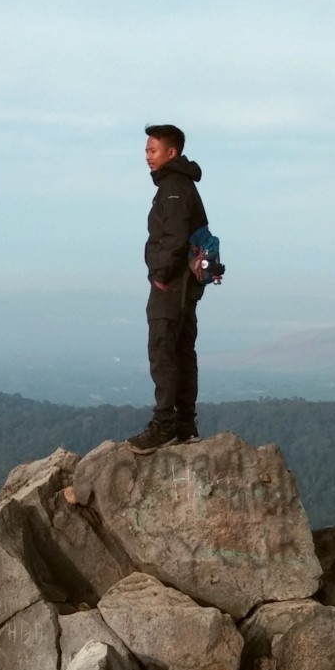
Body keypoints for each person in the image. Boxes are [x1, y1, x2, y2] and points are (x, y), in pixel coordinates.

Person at [126, 123, 209, 453]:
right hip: (186, 285)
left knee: (163, 350)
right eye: (147, 150)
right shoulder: (182, 184)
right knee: (182, 351)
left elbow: (173, 238)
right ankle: (185, 425)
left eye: (153, 150)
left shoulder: (173, 187)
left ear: (171, 152)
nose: (147, 156)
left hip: (172, 284)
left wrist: (160, 275)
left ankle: (165, 425)